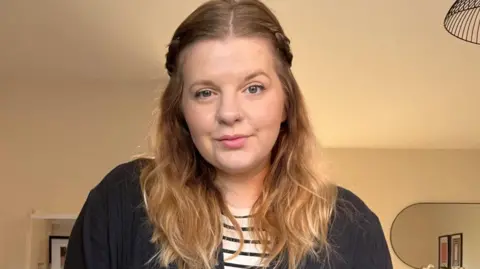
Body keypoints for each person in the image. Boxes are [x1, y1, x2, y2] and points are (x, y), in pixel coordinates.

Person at [64, 0, 393, 268]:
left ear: (286, 102)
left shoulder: (354, 226)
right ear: (179, 109)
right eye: (205, 92)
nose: (229, 113)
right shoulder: (122, 202)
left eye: (253, 88)